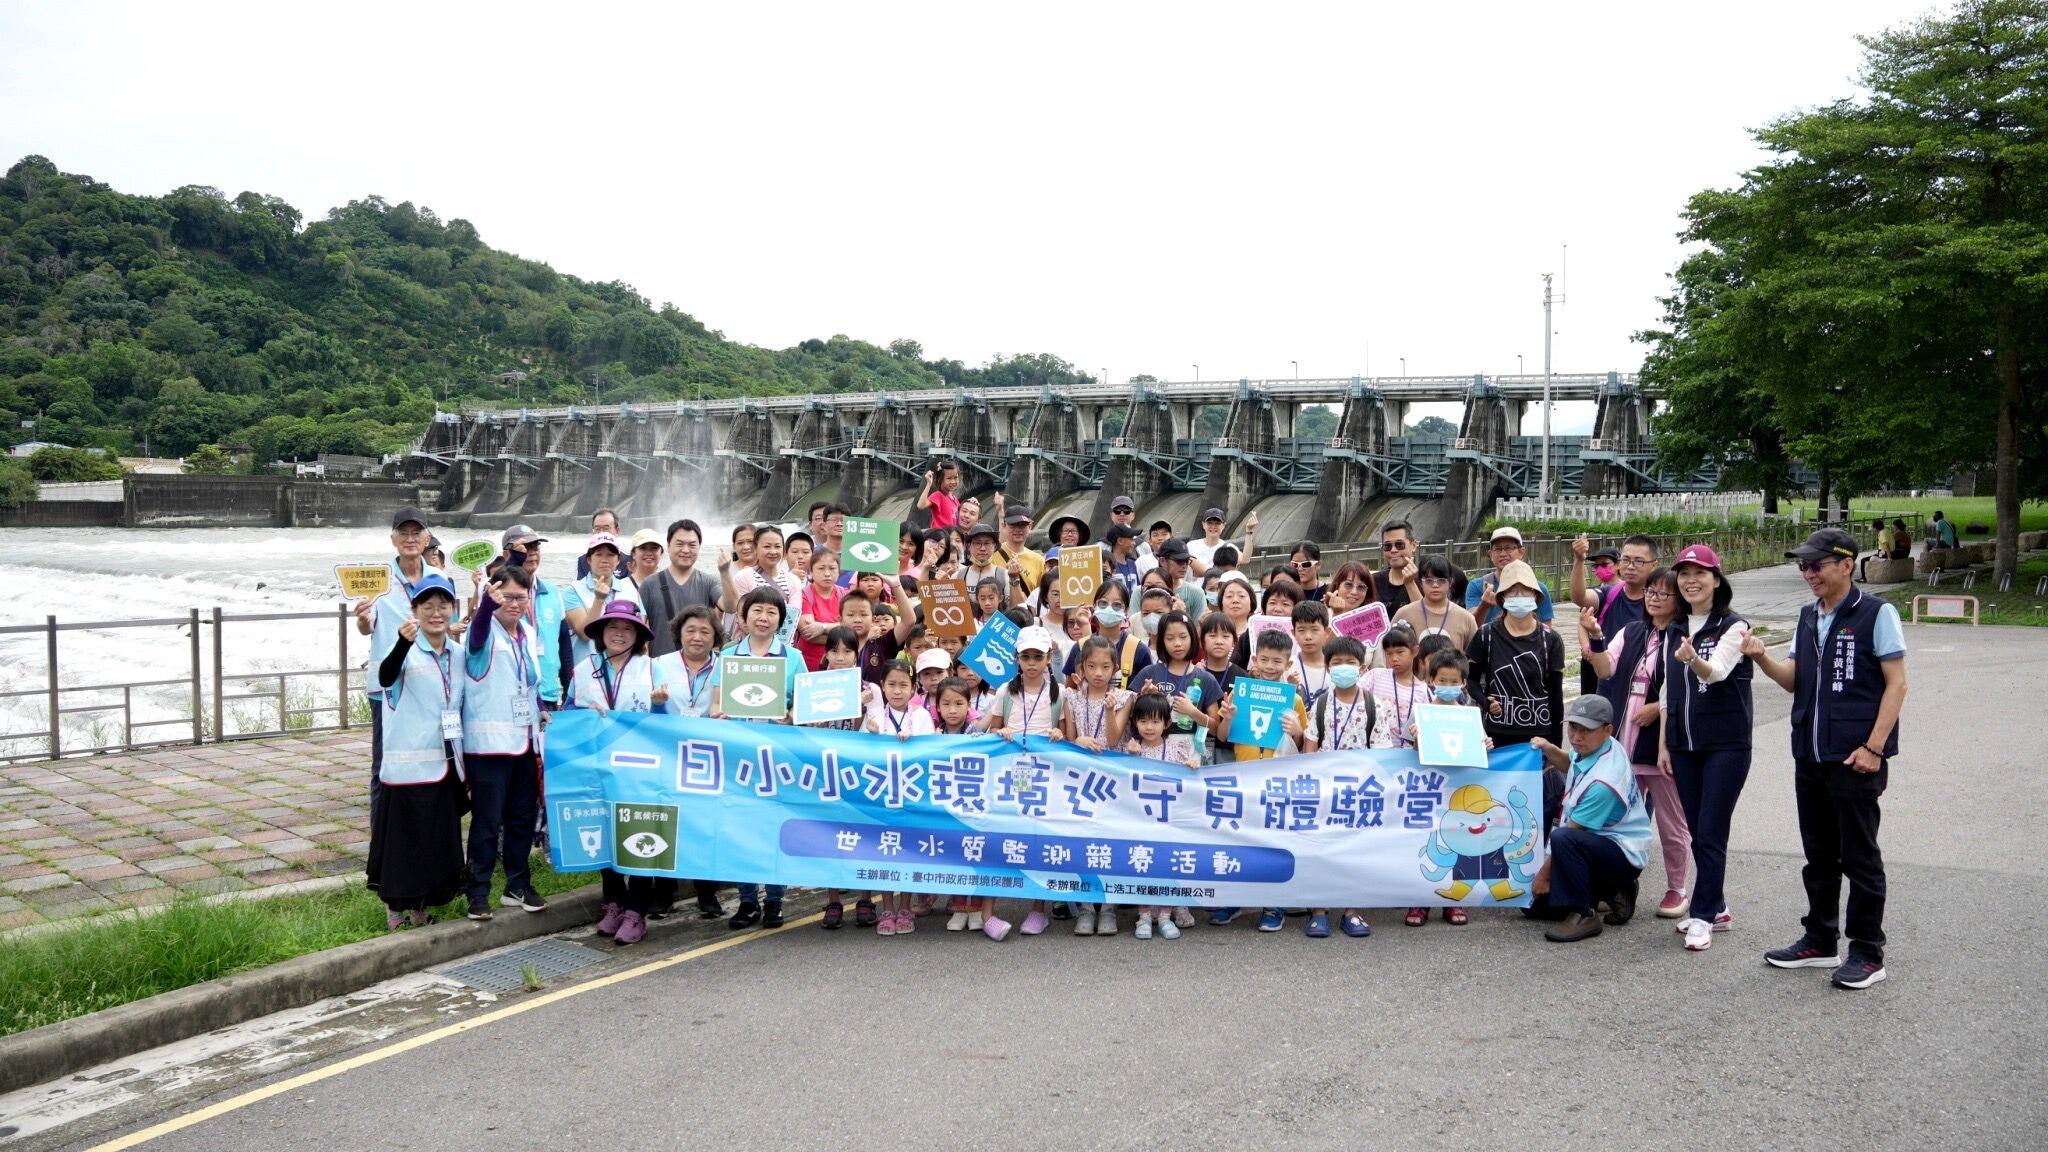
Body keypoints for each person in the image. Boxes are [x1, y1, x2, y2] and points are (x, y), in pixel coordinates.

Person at [1746, 527, 1907, 990]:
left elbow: (1897, 684)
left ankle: (1867, 952)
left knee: (1860, 857)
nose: (1808, 573)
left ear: (1846, 565)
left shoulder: (1876, 613)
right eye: (1804, 566)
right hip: (1810, 755)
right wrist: (1761, 656)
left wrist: (1874, 747)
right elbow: (1794, 680)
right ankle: (1819, 939)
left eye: (1816, 565)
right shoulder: (1807, 616)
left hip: (1855, 757)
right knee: (1818, 855)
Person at [1580, 566, 1692, 919]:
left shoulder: (1686, 637)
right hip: (1623, 741)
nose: (1654, 599)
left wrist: (1657, 708)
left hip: (1659, 744)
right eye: (1651, 592)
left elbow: (1691, 685)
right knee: (1615, 819)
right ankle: (1616, 885)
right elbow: (1604, 670)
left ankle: (1677, 888)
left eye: (1663, 593)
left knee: (1671, 822)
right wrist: (1596, 636)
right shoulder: (1631, 631)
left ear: (1679, 600)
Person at [1659, 543, 1754, 954]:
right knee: (1698, 831)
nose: (1690, 580)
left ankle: (1701, 916)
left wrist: (1694, 660)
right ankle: (1718, 907)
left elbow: (1716, 673)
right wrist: (1665, 743)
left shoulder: (1735, 626)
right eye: (1684, 574)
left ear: (1717, 579)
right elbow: (1666, 690)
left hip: (1725, 745)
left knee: (1712, 831)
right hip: (1683, 744)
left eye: (1700, 573)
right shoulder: (1675, 627)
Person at [366, 572, 467, 931]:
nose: (436, 613)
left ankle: (421, 908)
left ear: (453, 610)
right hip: (407, 766)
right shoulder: (405, 650)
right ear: (415, 611)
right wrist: (400, 644)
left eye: (443, 606)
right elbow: (385, 676)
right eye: (428, 606)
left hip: (444, 762)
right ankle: (395, 911)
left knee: (433, 840)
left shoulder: (458, 654)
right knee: (403, 842)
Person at [569, 600, 672, 946]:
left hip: (638, 768)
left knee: (638, 831)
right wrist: (582, 713)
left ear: (638, 635)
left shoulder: (652, 668)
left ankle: (636, 910)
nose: (619, 633)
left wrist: (659, 705)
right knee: (603, 833)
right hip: (596, 765)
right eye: (613, 627)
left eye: (628, 628)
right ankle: (613, 903)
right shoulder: (584, 668)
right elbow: (568, 713)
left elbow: (666, 726)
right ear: (601, 632)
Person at [709, 586, 804, 929]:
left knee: (776, 827)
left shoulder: (793, 657)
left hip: (778, 760)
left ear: (781, 619)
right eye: (757, 611)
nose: (764, 618)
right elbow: (716, 704)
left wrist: (791, 716)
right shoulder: (729, 655)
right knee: (741, 829)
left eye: (771, 612)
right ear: (744, 618)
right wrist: (720, 714)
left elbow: (804, 707)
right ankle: (747, 900)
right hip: (740, 759)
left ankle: (775, 899)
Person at [1529, 695, 1654, 943]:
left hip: (1622, 854)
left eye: (1585, 730)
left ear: (1607, 730)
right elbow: (1571, 763)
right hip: (1598, 845)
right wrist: (1550, 749)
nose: (1576, 737)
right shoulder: (1602, 746)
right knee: (1534, 908)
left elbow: (1573, 831)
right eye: (1573, 727)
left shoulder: (1603, 784)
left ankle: (1584, 913)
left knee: (1563, 838)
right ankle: (1614, 891)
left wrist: (1543, 875)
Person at [460, 565, 547, 921]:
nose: (514, 604)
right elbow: (477, 636)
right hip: (489, 745)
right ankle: (477, 892)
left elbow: (529, 682)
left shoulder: (527, 631)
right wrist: (484, 604)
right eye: (506, 597)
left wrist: (541, 709)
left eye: (520, 597)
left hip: (525, 742)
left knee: (521, 819)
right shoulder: (481, 632)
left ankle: (517, 885)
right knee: (487, 821)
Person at [1302, 635, 1398, 940]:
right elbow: (1310, 746)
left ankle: (1352, 910)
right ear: (1328, 668)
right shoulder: (1320, 703)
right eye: (1337, 663)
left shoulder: (1374, 705)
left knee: (1356, 851)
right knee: (1321, 849)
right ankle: (1319, 910)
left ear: (1362, 667)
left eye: (1350, 662)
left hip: (1359, 792)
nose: (1344, 667)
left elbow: (1382, 753)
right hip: (1325, 791)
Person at [354, 506, 438, 839]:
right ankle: (381, 843)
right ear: (393, 539)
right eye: (404, 533)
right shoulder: (378, 579)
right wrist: (363, 620)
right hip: (387, 689)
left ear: (427, 538)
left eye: (417, 533)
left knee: (427, 758)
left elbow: (443, 629)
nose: (410, 538)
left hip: (428, 684)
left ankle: (420, 837)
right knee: (384, 765)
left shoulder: (438, 578)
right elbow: (367, 627)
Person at [976, 626, 1065, 940]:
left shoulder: (1059, 693)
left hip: (1043, 777)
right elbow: (993, 731)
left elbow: (1066, 735)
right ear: (1016, 658)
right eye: (1026, 657)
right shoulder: (1005, 691)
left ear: (1048, 658)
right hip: (1008, 776)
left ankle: (1039, 909)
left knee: (1038, 842)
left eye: (1037, 657)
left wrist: (1059, 734)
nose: (1031, 663)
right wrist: (1000, 733)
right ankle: (987, 914)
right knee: (998, 839)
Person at [1403, 648, 1488, 927]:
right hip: (1428, 790)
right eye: (1442, 680)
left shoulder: (1470, 715)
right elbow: (1409, 754)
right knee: (1425, 843)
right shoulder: (1420, 714)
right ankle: (1419, 901)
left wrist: (1486, 745)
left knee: (1457, 843)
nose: (1448, 686)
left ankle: (1453, 901)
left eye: (1454, 681)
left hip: (1457, 791)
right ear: (1431, 680)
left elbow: (1479, 752)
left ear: (1464, 683)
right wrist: (1417, 738)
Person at [1121, 692, 1199, 940]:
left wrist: (1193, 765)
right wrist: (1130, 758)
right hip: (1141, 823)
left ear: (1167, 723)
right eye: (1143, 721)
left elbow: (1192, 774)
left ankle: (1165, 915)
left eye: (1155, 721)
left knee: (1167, 867)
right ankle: (1144, 916)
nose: (1149, 727)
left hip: (1169, 823)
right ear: (1135, 722)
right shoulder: (1131, 749)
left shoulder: (1177, 748)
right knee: (1143, 866)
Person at [1464, 559, 1565, 750]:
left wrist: (1555, 746)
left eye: (1525, 591)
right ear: (1502, 597)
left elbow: (1555, 696)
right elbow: (1471, 680)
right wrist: (1485, 702)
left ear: (1535, 595)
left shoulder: (1551, 639)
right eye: (1512, 591)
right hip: (1496, 735)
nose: (1519, 596)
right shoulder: (1486, 634)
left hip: (1538, 737)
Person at [1129, 610, 1221, 770]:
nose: (1177, 643)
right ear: (1161, 641)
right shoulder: (1149, 673)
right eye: (1170, 638)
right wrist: (1143, 698)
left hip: (1189, 755)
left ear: (1192, 637)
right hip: (1150, 750)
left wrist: (1193, 712)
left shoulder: (1206, 679)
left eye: (1183, 637)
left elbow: (1216, 729)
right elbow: (1128, 717)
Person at [1568, 533, 1658, 696]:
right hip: (1607, 687)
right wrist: (1579, 560)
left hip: (1644, 692)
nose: (1631, 566)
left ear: (1654, 565)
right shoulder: (1608, 593)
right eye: (1626, 560)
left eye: (1639, 561)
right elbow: (1579, 597)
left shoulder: (1660, 602)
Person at [637, 520, 723, 658]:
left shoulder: (709, 582)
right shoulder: (649, 584)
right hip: (660, 665)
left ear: (699, 547)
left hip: (699, 666)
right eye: (679, 544)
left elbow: (730, 606)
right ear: (668, 546)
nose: (686, 550)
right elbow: (638, 629)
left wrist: (725, 573)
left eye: (692, 545)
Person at [562, 532, 643, 673]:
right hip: (586, 672)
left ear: (618, 560)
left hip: (626, 671)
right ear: (589, 559)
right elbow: (584, 634)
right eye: (599, 554)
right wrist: (599, 599)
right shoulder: (572, 591)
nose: (604, 560)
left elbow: (642, 633)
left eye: (610, 555)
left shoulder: (631, 589)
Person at [1465, 526, 1556, 625]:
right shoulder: (1477, 586)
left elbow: (1546, 630)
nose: (1503, 554)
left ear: (1521, 552)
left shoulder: (1538, 590)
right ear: (1490, 554)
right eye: (1498, 549)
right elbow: (1470, 626)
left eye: (1508, 548)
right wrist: (1484, 605)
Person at [1394, 553, 1478, 650]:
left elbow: (1474, 656)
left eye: (1441, 580)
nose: (1435, 585)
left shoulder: (1466, 618)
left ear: (1450, 582)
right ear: (1420, 583)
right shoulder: (1404, 614)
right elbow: (1389, 647)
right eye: (1429, 581)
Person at [1363, 624, 1424, 751]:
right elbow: (1353, 694)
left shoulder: (1423, 691)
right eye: (1389, 654)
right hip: (1376, 752)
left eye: (1400, 652)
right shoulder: (1375, 676)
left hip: (1408, 755)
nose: (1394, 658)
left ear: (1415, 651)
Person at [1370, 519, 1422, 614]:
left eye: (1399, 544)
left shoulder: (1427, 581)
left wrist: (1410, 583)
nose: (1393, 550)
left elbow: (1426, 618)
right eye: (1387, 546)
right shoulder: (1373, 582)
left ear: (1414, 546)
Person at [1153, 537, 1207, 621]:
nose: (1184, 566)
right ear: (1162, 561)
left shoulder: (1196, 593)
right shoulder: (1142, 590)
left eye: (1187, 561)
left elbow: (1198, 627)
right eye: (1179, 561)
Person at [573, 508, 620, 580]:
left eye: (606, 528)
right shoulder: (583, 561)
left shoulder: (629, 561)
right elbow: (579, 585)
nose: (601, 533)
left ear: (617, 530)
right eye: (597, 529)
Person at [918, 460, 962, 531]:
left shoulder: (955, 499)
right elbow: (921, 505)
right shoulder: (938, 496)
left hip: (951, 536)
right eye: (949, 478)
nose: (953, 481)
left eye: (955, 477)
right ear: (939, 479)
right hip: (940, 536)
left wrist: (971, 502)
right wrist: (929, 483)